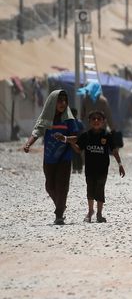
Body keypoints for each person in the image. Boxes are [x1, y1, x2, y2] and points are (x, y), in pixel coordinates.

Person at [22, 90, 79, 225]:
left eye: (65, 101)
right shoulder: (47, 118)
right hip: (49, 158)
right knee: (50, 186)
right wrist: (28, 144)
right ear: (52, 102)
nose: (63, 103)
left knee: (62, 186)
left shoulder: (69, 120)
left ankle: (59, 214)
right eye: (60, 100)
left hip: (65, 157)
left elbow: (76, 138)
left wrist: (64, 138)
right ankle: (60, 205)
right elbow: (37, 132)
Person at [58, 110, 125, 223]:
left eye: (99, 119)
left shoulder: (107, 136)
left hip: (103, 169)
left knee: (100, 189)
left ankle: (99, 213)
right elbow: (79, 150)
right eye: (93, 119)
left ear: (104, 121)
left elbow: (114, 151)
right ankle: (90, 211)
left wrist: (120, 165)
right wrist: (69, 142)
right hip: (89, 169)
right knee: (90, 190)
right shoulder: (86, 136)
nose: (96, 121)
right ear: (89, 121)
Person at [70, 107, 85, 174]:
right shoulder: (79, 122)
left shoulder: (70, 122)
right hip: (78, 140)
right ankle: (79, 168)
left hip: (73, 140)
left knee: (75, 154)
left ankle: (75, 168)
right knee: (78, 154)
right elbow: (83, 130)